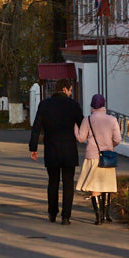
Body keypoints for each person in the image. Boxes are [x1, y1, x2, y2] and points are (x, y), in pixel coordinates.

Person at [29, 77, 84, 224]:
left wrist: (33, 148)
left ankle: (52, 213)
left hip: (51, 149)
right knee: (68, 183)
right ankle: (66, 216)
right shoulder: (73, 105)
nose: (71, 93)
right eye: (70, 90)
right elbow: (82, 124)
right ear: (65, 89)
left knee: (53, 182)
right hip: (69, 150)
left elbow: (36, 128)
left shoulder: (45, 105)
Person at [75, 93, 122, 224]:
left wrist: (75, 127)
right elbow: (118, 139)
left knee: (95, 187)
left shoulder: (88, 120)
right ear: (104, 104)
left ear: (92, 105)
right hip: (107, 157)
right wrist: (109, 146)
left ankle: (98, 218)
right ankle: (106, 215)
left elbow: (81, 138)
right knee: (107, 186)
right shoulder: (112, 120)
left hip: (93, 157)